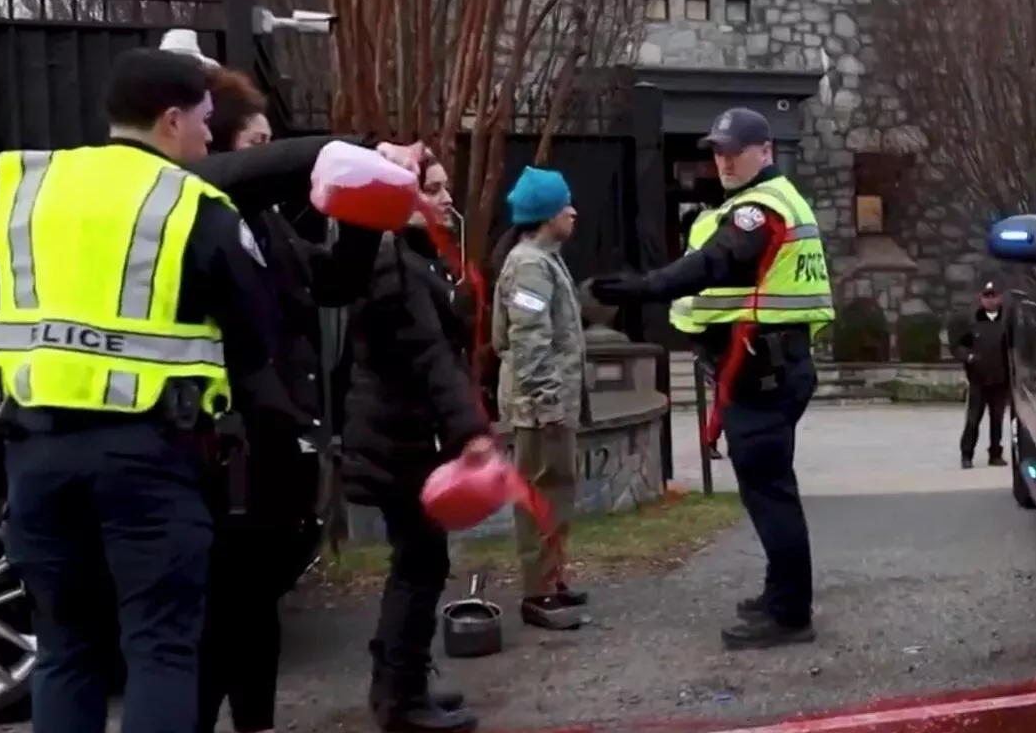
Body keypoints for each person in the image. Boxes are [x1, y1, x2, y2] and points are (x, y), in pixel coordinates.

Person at [0, 48, 288, 733]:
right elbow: (255, 335)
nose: (211, 138)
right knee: (158, 645)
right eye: (207, 122)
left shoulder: (28, 190)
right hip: (147, 457)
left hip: (35, 453)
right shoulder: (193, 204)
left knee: (68, 649)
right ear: (172, 119)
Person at [187, 66, 409, 733]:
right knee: (211, 622)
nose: (268, 153)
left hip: (277, 448)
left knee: (255, 610)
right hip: (217, 452)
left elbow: (333, 282)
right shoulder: (195, 214)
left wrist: (366, 209)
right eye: (257, 142)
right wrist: (348, 151)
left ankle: (258, 723)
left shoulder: (271, 227)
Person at [589, 107, 832, 650]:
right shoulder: (758, 201)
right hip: (761, 368)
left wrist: (645, 287)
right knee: (769, 490)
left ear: (764, 151)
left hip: (764, 372)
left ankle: (790, 613)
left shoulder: (760, 208)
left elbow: (717, 263)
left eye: (734, 150)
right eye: (717, 151)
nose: (723, 160)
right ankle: (781, 595)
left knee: (770, 493)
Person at [339, 153, 489, 732]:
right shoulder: (391, 267)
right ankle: (401, 699)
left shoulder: (412, 259)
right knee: (420, 565)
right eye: (434, 188)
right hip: (397, 441)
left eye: (448, 186)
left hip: (403, 436)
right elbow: (429, 358)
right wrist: (471, 431)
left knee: (418, 561)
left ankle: (399, 686)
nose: (448, 198)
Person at [493, 166, 590, 631]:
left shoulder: (544, 258)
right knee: (539, 494)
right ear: (545, 213)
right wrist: (549, 402)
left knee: (555, 493)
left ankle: (551, 579)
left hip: (548, 405)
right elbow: (529, 342)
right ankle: (537, 593)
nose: (573, 209)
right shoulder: (530, 265)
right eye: (564, 203)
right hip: (538, 409)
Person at [675, 206, 725, 460]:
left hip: (698, 328)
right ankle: (710, 440)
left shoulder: (692, 256)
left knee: (722, 390)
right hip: (710, 328)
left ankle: (711, 439)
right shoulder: (710, 256)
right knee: (723, 392)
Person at [953, 282, 1009, 469]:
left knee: (997, 421)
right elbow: (959, 346)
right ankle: (966, 454)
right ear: (981, 298)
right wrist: (968, 357)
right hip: (978, 380)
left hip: (1000, 380)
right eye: (987, 296)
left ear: (1000, 298)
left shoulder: (1007, 323)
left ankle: (995, 454)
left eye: (993, 296)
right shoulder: (973, 323)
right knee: (973, 420)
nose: (990, 299)